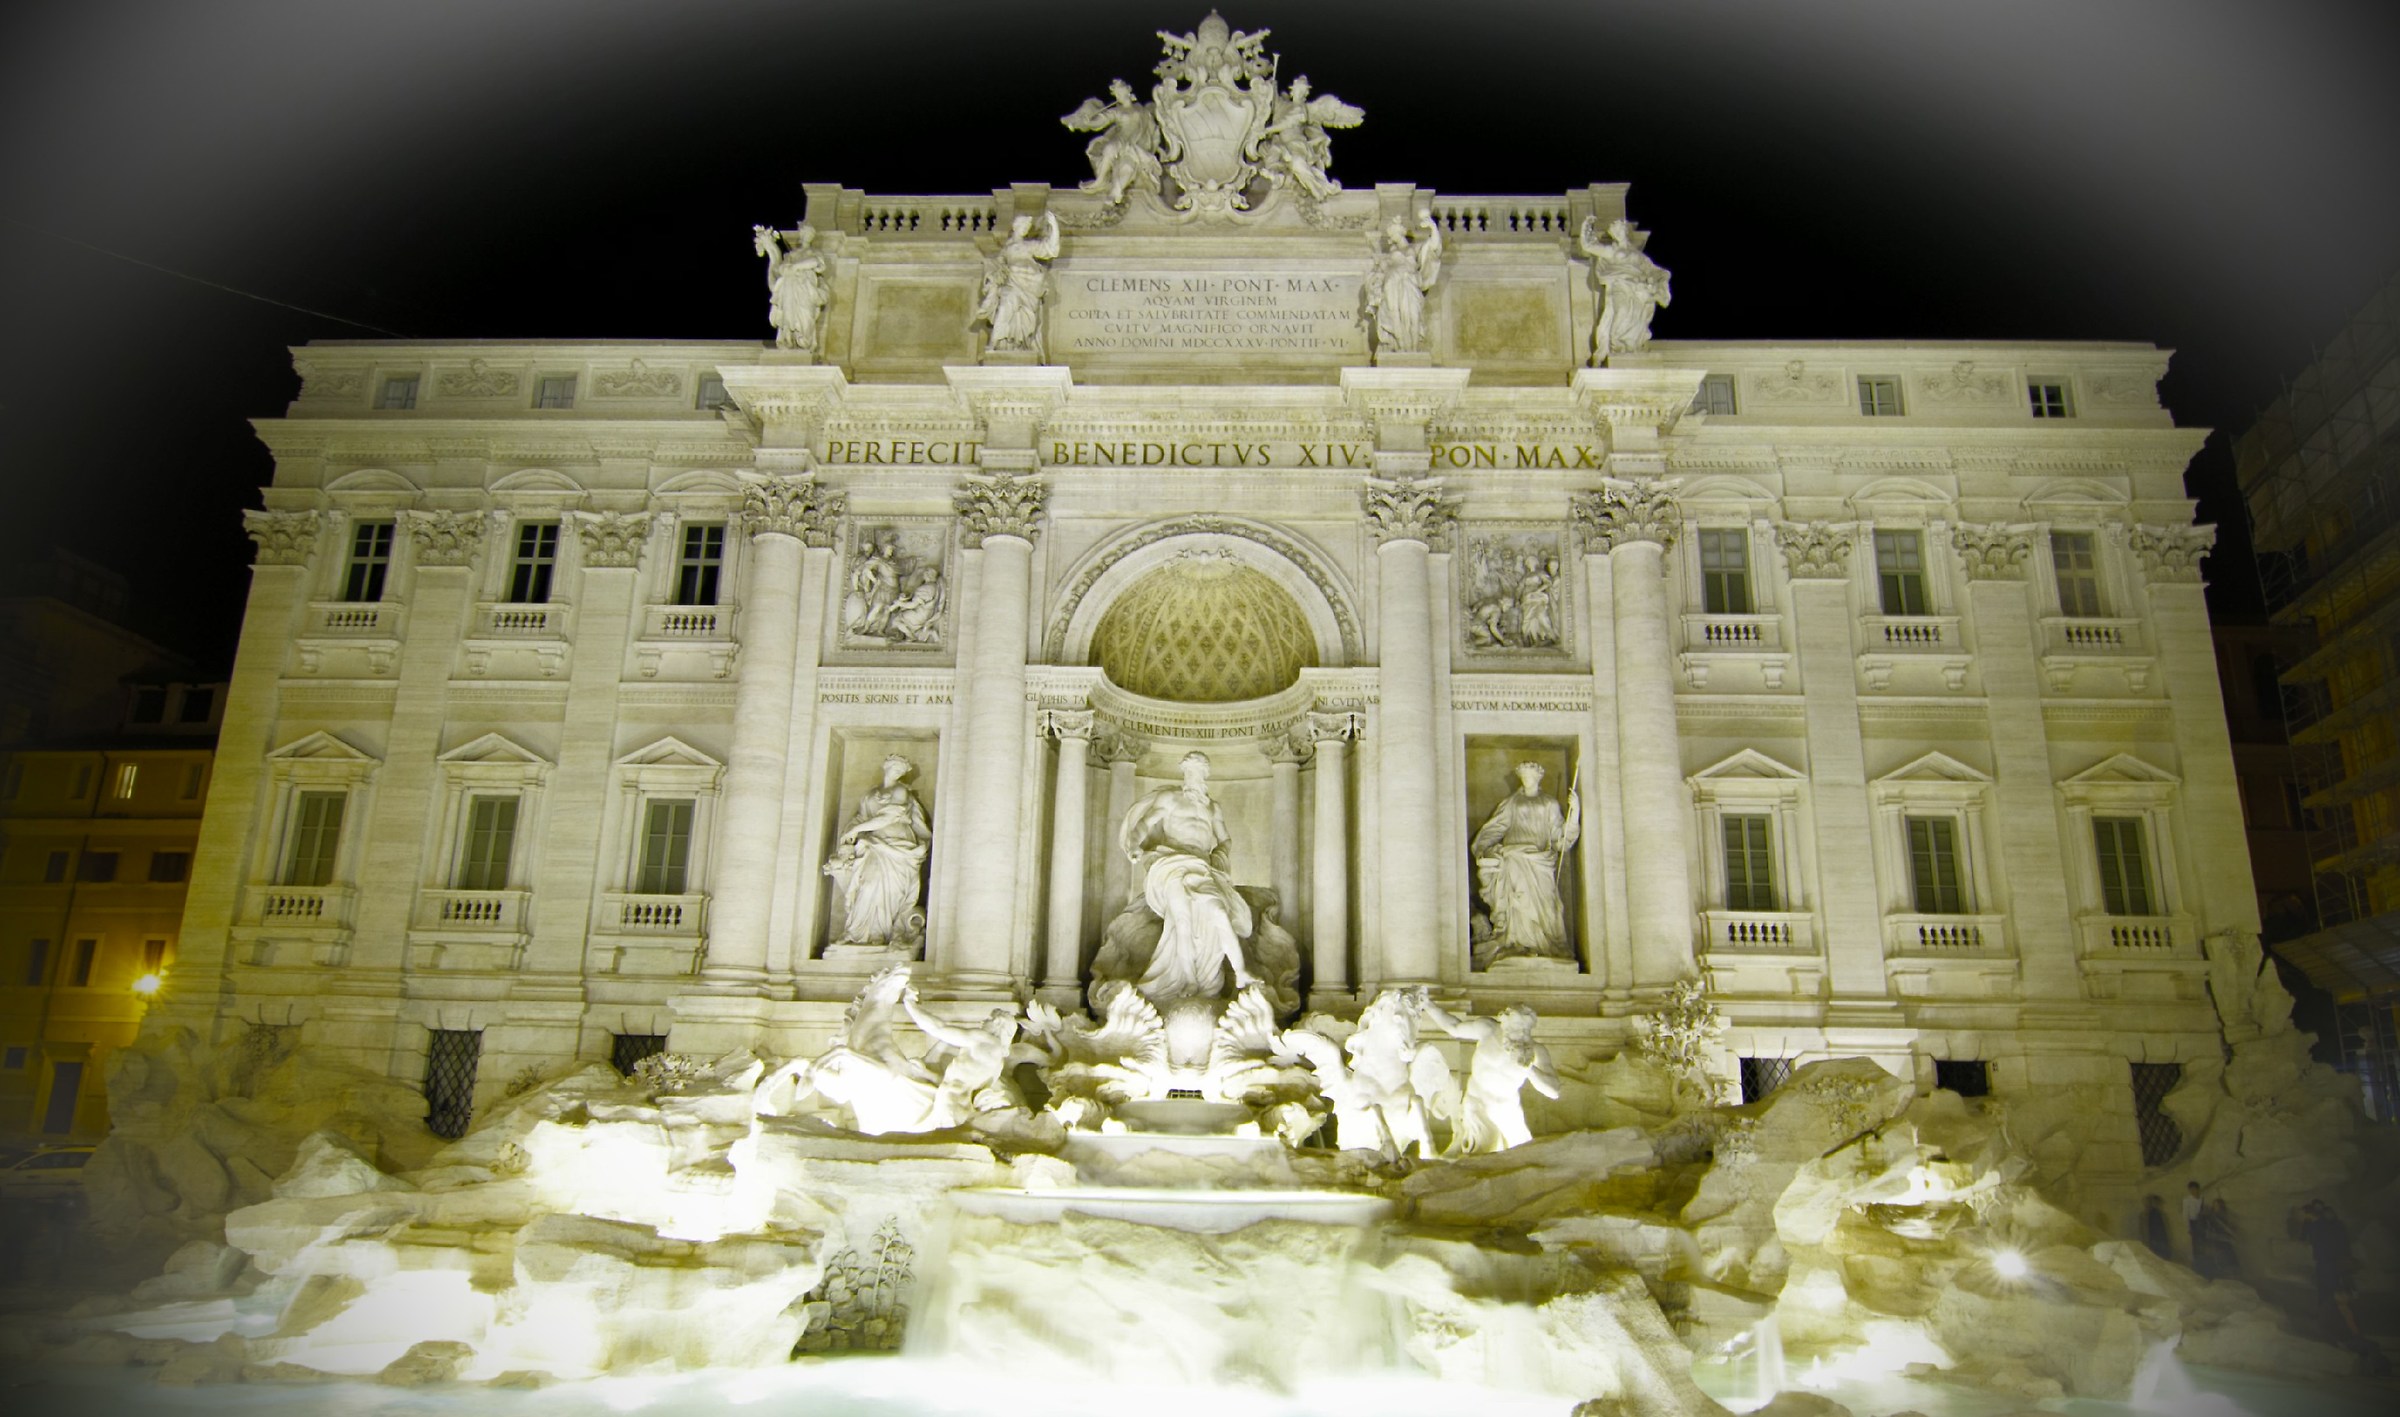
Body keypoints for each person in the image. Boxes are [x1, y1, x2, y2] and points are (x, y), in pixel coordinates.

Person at [1118, 751, 1254, 1006]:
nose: (1195, 777)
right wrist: (1135, 845)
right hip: (1171, 864)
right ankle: (1189, 979)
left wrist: (1219, 857)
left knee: (1219, 913)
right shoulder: (1169, 798)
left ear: (1206, 776)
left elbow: (1225, 839)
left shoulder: (1213, 808)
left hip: (1201, 867)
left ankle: (1241, 972)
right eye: (1191, 772)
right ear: (1184, 773)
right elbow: (1145, 825)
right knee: (1182, 921)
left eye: (1200, 772)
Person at [1470, 762, 1583, 964]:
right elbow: (1495, 828)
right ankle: (1516, 943)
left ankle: (1544, 946)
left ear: (1538, 778)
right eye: (1524, 777)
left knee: (1546, 906)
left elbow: (1560, 838)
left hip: (1540, 862)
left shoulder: (1549, 804)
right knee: (1517, 902)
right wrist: (1483, 849)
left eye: (1530, 777)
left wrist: (1574, 815)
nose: (1527, 780)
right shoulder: (1512, 803)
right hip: (1514, 858)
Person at [823, 755, 932, 947]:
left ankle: (880, 934)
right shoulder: (870, 795)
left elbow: (889, 817)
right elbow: (861, 817)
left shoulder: (900, 791)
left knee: (890, 891)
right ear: (886, 767)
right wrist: (848, 834)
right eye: (895, 768)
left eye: (901, 771)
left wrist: (857, 829)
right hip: (873, 845)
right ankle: (857, 932)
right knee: (868, 885)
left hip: (898, 846)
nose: (897, 773)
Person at [1578, 216, 1672, 365]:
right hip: (1620, 285)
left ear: (1625, 231)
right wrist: (1586, 226)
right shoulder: (1612, 251)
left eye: (1620, 229)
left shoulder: (1638, 255)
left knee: (1634, 316)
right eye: (1616, 230)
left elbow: (1653, 270)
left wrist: (1655, 282)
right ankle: (1618, 345)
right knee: (1621, 311)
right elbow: (1588, 245)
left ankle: (1628, 347)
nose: (1618, 232)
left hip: (1637, 290)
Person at [972, 211, 1062, 354]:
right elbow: (995, 266)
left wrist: (1054, 226)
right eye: (1024, 225)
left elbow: (1052, 250)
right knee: (1006, 304)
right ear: (1016, 226)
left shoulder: (1029, 246)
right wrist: (995, 276)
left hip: (1030, 285)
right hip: (1012, 283)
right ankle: (998, 342)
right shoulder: (1007, 248)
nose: (1026, 229)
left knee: (1019, 311)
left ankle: (1019, 343)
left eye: (1027, 226)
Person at [1360, 214, 1442, 355]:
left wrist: (1433, 227)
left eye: (1394, 234)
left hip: (1409, 283)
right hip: (1392, 283)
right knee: (1394, 315)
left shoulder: (1415, 249)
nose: (1392, 237)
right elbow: (1376, 275)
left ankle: (1412, 348)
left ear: (1400, 233)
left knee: (1413, 316)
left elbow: (1434, 247)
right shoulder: (1387, 258)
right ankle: (1400, 345)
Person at [752, 223, 830, 353]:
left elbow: (816, 262)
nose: (807, 236)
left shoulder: (814, 252)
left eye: (809, 234)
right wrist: (772, 250)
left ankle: (803, 339)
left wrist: (795, 267)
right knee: (789, 312)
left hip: (805, 287)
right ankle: (789, 339)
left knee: (805, 315)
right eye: (805, 233)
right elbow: (780, 268)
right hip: (790, 286)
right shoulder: (792, 254)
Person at [2141, 1194, 2172, 1259]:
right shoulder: (2153, 1213)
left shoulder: (2156, 1212)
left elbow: (2158, 1227)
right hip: (2156, 1238)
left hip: (2158, 1238)